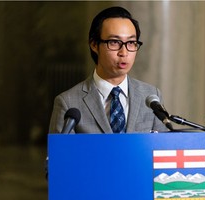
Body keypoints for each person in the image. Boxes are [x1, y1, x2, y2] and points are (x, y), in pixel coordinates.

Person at [49, 6, 168, 134]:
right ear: (94, 45)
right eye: (114, 42)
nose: (124, 52)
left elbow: (162, 149)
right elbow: (61, 153)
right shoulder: (68, 102)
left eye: (131, 43)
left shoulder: (150, 96)